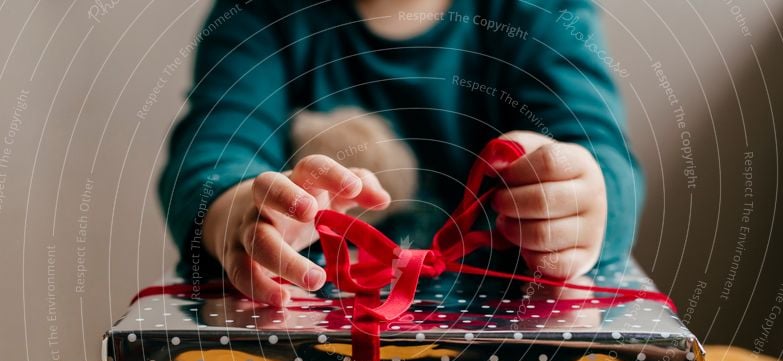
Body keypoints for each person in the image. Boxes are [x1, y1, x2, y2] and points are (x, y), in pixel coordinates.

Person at [159, 0, 642, 306]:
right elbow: (213, 151)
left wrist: (584, 197)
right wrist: (236, 213)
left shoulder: (544, 12)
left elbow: (601, 155)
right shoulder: (258, 14)